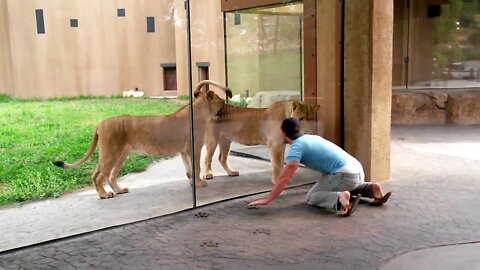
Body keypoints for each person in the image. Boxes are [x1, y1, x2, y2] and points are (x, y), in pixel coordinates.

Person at [248, 118, 391, 217]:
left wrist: (268, 199)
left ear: (284, 133)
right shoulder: (312, 138)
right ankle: (372, 188)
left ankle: (340, 197)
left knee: (312, 197)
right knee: (340, 184)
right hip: (357, 170)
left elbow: (285, 178)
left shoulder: (297, 147)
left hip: (344, 175)